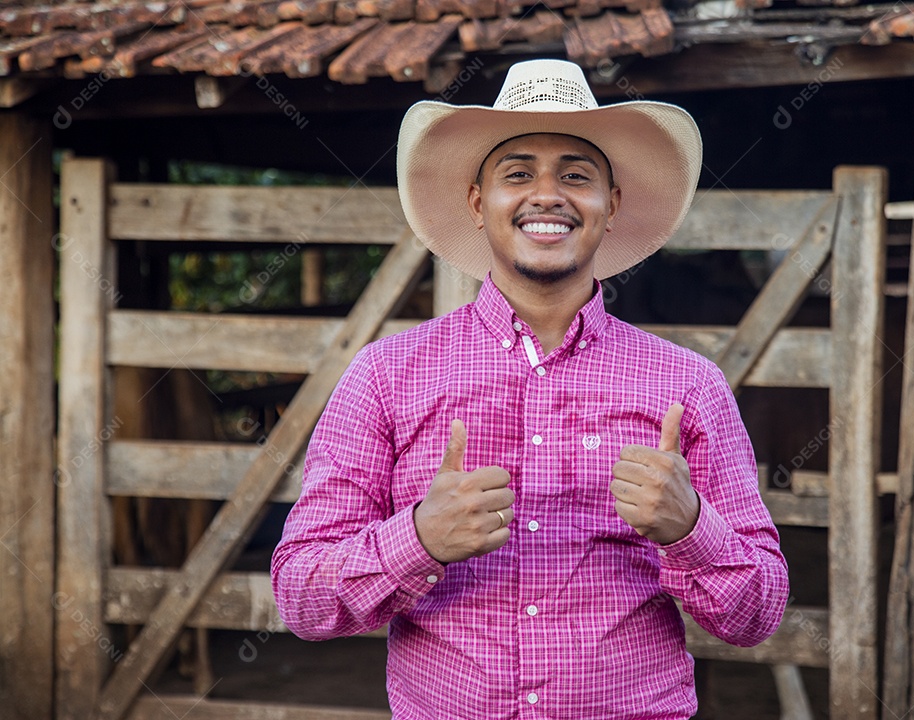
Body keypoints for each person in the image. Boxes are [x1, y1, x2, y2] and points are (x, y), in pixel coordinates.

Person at [271, 58, 789, 719]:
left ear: (612, 205)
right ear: (479, 202)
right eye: (518, 173)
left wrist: (691, 528)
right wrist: (420, 538)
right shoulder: (385, 375)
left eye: (576, 175)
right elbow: (301, 597)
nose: (547, 194)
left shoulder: (687, 384)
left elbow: (759, 613)